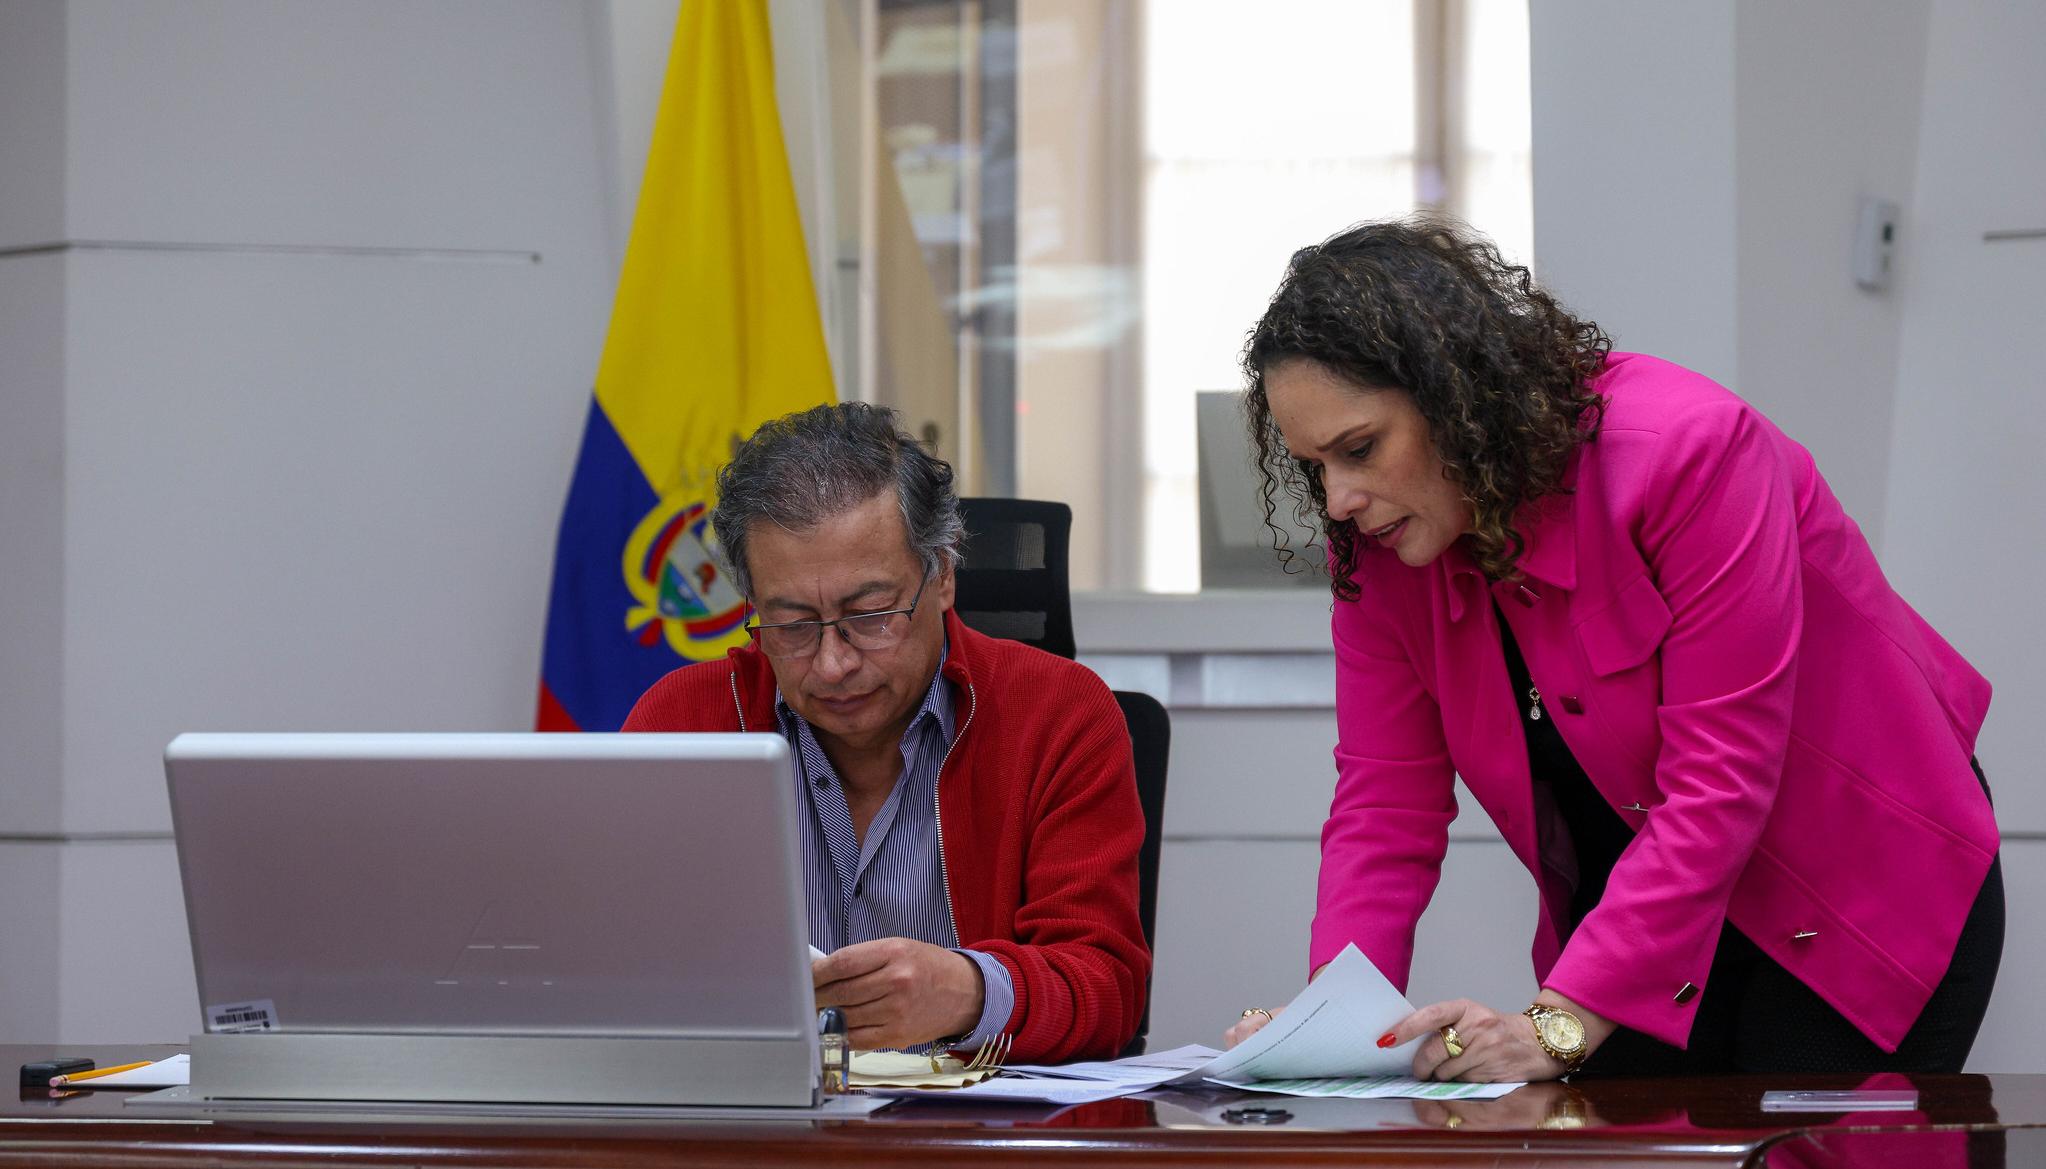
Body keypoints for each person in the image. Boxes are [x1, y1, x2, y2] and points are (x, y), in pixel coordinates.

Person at [1223, 218, 2002, 1079]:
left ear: (1455, 396)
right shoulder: (1379, 547)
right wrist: (1334, 1024)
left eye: (1359, 449)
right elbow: (1385, 802)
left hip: (1856, 888)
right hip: (1650, 919)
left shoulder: (1690, 454)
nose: (1337, 499)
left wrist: (1560, 1024)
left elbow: (1721, 777)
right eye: (1313, 466)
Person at [623, 402, 1148, 1064]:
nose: (833, 662)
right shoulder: (682, 725)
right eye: (791, 623)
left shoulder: (1058, 714)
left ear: (943, 575)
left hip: (973, 1143)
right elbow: (618, 967)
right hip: (759, 1134)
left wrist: (970, 993)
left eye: (870, 615)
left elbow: (1108, 988)